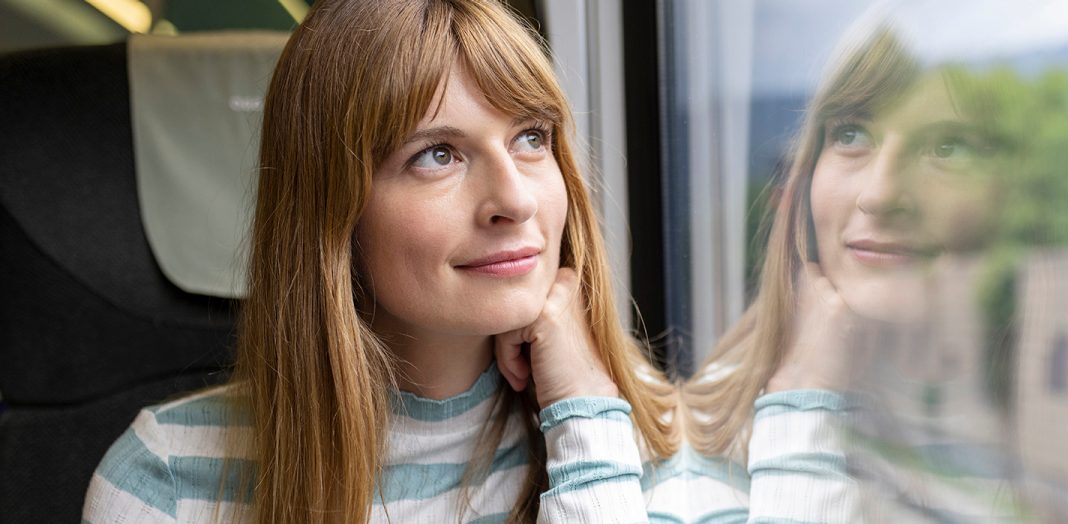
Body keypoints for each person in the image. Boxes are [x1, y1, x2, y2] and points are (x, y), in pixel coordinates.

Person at [83, 1, 675, 522]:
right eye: (437, 154)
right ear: (333, 212)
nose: (516, 200)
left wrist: (585, 412)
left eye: (531, 137)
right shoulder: (166, 483)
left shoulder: (641, 436)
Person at [676, 17, 1011, 523]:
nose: (878, 194)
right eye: (852, 134)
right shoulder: (702, 437)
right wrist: (800, 405)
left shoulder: (1053, 443)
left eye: (945, 148)